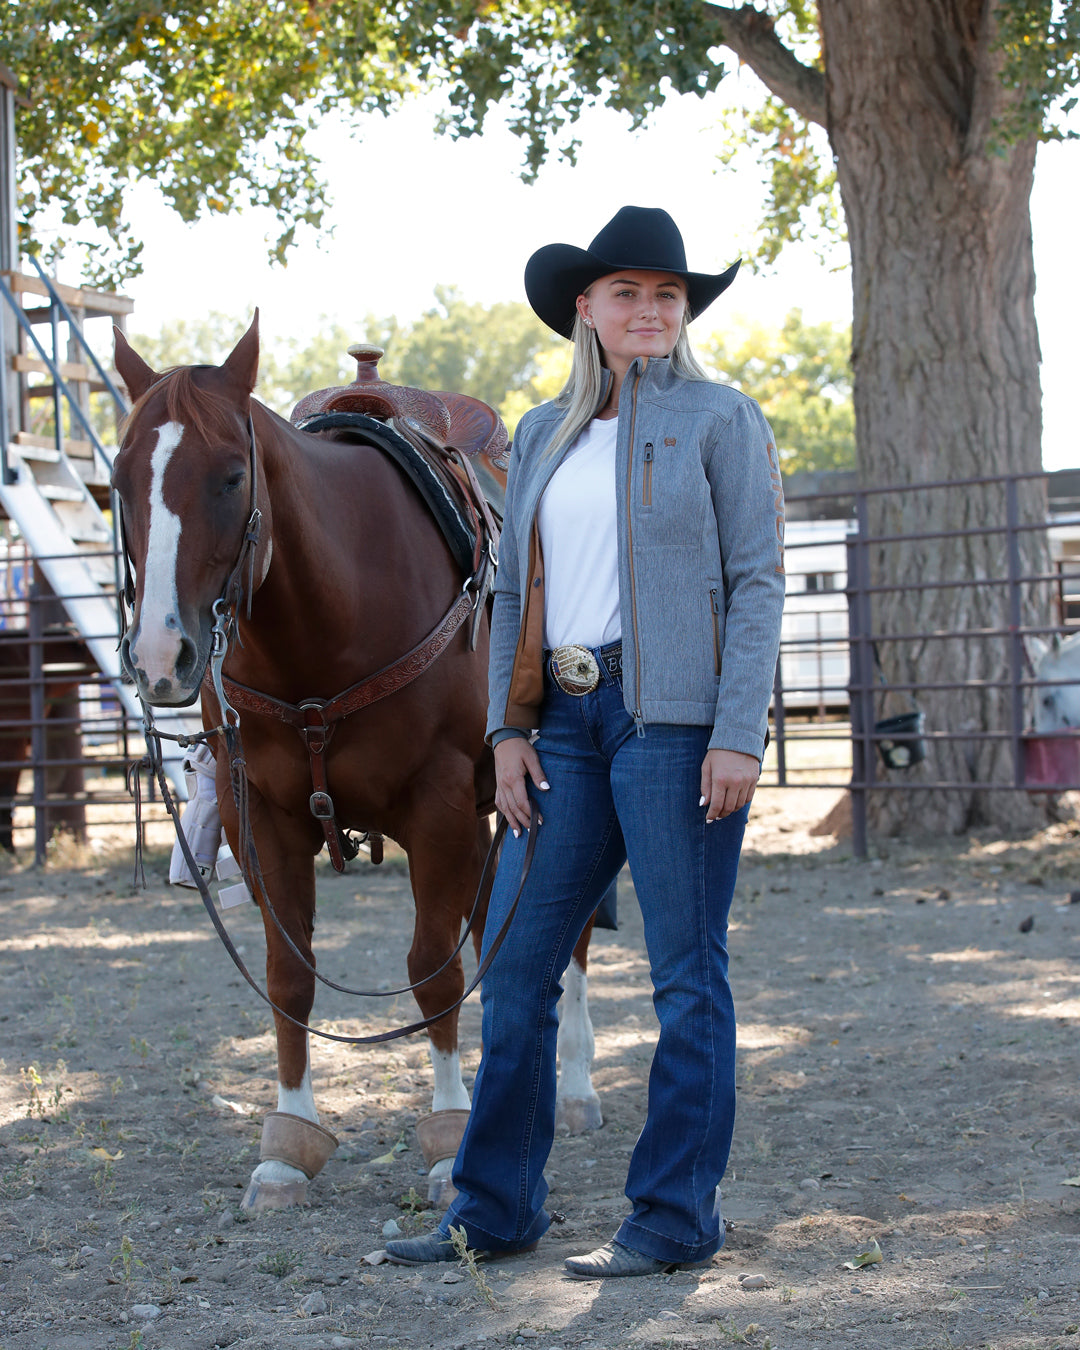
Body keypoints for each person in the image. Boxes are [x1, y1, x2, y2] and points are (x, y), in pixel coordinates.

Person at [384, 205, 785, 1278]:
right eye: (627, 294)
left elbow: (757, 582)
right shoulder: (543, 431)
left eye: (667, 294)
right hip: (562, 725)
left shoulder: (720, 419)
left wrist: (737, 732)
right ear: (586, 308)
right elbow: (513, 589)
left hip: (674, 728)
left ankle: (671, 1218)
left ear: (683, 309)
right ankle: (496, 1207)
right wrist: (505, 729)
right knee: (516, 969)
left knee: (684, 979)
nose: (649, 310)